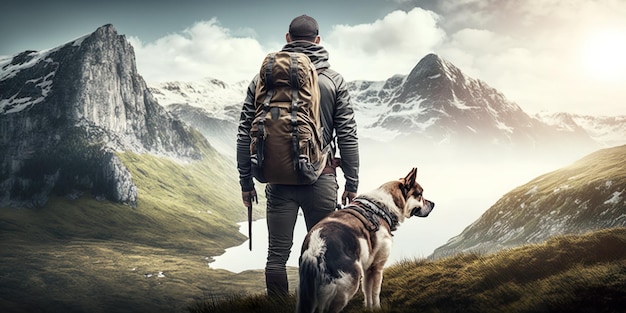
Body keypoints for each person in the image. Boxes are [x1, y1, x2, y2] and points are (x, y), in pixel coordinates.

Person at [236, 14, 360, 298]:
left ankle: (277, 305)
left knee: (276, 256)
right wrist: (352, 182)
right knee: (325, 254)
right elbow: (348, 135)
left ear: (288, 39)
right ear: (318, 41)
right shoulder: (332, 81)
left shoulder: (262, 81)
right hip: (322, 179)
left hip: (278, 180)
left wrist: (246, 183)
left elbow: (245, 134)